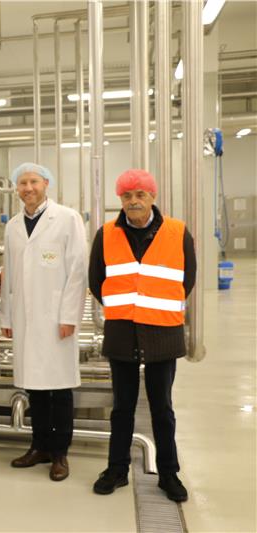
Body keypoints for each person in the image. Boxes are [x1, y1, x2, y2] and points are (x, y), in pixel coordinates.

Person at [89, 169, 196, 502]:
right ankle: (116, 469)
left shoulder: (177, 232)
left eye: (140, 195)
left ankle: (169, 474)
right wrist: (125, 306)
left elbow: (187, 279)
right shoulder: (106, 234)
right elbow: (96, 280)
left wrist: (153, 305)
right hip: (122, 330)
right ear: (120, 199)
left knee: (162, 407)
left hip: (162, 330)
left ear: (152, 197)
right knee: (122, 407)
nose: (133, 201)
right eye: (127, 196)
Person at [0, 163, 88, 482]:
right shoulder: (13, 226)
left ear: (46, 183)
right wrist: (6, 315)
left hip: (55, 316)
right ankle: (39, 446)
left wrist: (69, 316)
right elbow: (8, 275)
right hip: (24, 316)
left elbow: (77, 270)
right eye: (22, 183)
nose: (28, 188)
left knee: (60, 387)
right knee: (34, 386)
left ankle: (60, 452)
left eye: (33, 181)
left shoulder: (67, 218)